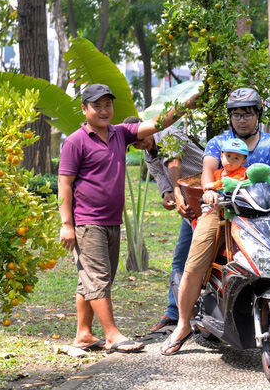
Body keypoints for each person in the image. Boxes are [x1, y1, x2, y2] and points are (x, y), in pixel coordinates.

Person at [161, 87, 270, 356]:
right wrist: (209, 190)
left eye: (248, 113)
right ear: (229, 117)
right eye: (236, 114)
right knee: (196, 259)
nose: (242, 120)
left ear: (258, 114)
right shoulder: (218, 143)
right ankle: (183, 324)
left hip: (267, 215)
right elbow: (208, 172)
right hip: (221, 211)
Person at [59, 83, 198, 353]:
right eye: (96, 106)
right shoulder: (75, 142)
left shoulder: (120, 134)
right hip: (88, 222)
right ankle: (112, 335)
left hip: (111, 220)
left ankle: (84, 335)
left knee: (93, 278)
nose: (103, 110)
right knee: (97, 278)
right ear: (84, 109)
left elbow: (158, 123)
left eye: (107, 105)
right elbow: (64, 184)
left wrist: (185, 105)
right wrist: (67, 225)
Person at [123, 116, 204, 333]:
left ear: (147, 128)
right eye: (135, 145)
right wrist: (168, 196)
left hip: (211, 197)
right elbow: (162, 179)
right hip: (191, 207)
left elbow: (173, 162)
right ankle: (174, 313)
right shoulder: (149, 155)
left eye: (140, 140)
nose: (141, 146)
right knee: (180, 259)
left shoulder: (167, 134)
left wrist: (177, 191)